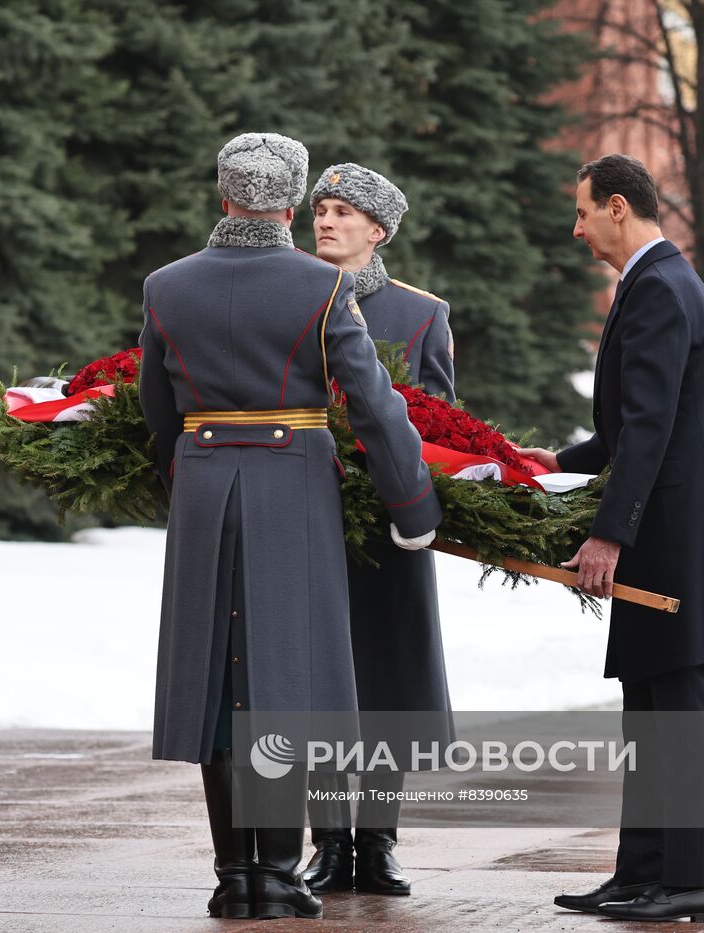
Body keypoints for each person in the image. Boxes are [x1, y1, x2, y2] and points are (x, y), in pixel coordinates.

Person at [139, 133, 443, 921]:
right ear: (290, 203)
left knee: (216, 678)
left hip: (206, 483)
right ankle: (275, 873)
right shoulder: (320, 287)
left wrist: (189, 474)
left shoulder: (166, 286)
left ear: (222, 194)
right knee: (281, 681)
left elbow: (156, 404)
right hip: (294, 485)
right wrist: (413, 505)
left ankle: (232, 874)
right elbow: (374, 403)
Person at [518, 154, 704, 924]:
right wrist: (559, 462)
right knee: (650, 704)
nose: (578, 227)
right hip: (667, 519)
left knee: (677, 703)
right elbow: (634, 425)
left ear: (619, 207)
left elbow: (651, 427)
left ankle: (691, 876)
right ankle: (645, 869)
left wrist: (607, 535)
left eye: (584, 210)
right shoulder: (659, 282)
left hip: (673, 529)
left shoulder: (658, 287)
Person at [299, 163, 456, 897]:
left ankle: (379, 840)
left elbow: (441, 427)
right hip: (309, 522)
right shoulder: (289, 295)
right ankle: (328, 841)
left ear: (378, 229)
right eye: (320, 209)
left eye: (341, 212)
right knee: (319, 678)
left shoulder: (422, 313)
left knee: (386, 680)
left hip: (391, 532)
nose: (325, 221)